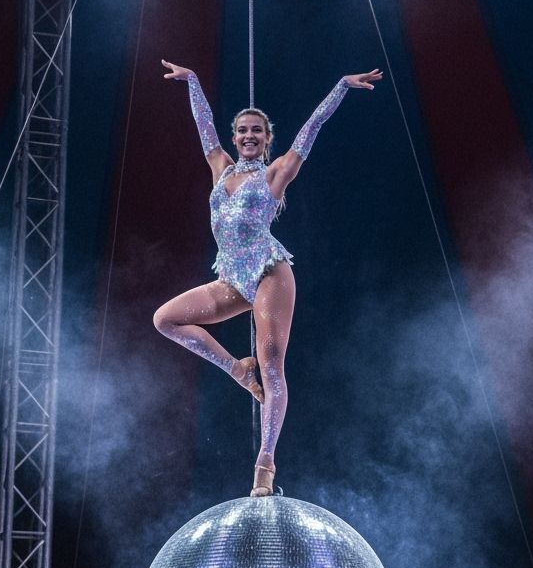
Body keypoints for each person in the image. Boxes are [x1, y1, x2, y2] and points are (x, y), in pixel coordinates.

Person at [156, 59, 382, 496]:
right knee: (165, 319)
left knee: (272, 360)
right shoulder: (220, 168)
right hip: (231, 278)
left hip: (268, 273)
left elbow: (311, 130)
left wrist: (340, 84)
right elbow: (204, 127)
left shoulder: (276, 174)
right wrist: (194, 80)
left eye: (257, 131)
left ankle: (266, 461)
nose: (248, 137)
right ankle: (235, 369)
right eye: (242, 130)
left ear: (266, 139)